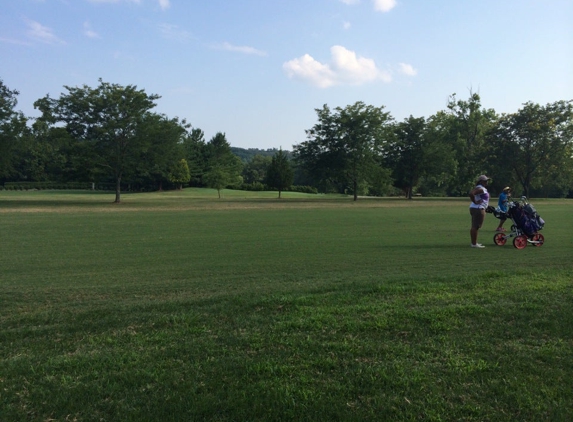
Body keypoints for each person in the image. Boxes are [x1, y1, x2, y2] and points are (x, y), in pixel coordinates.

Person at [468, 175, 491, 248]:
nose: (487, 182)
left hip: (476, 208)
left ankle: (474, 243)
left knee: (475, 226)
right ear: (481, 181)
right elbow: (471, 193)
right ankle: (474, 244)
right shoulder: (481, 189)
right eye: (485, 181)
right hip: (478, 208)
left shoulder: (481, 188)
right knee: (476, 226)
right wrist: (475, 201)